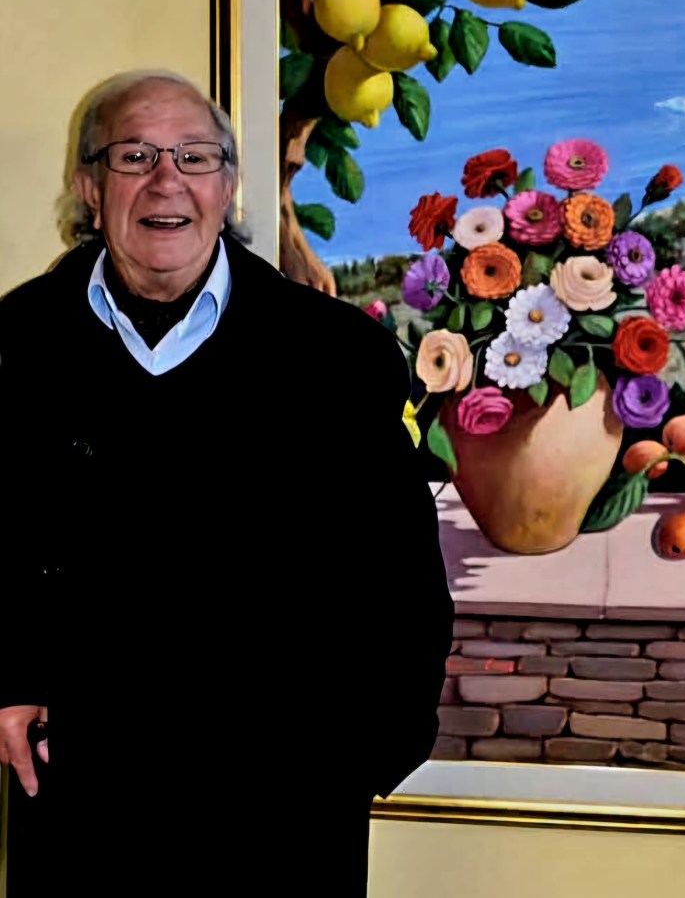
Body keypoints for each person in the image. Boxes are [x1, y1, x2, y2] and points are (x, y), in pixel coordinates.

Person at [0, 69, 453, 895]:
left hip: (283, 805)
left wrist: (361, 757)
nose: (166, 181)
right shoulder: (15, 344)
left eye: (195, 157)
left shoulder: (338, 357)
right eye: (134, 156)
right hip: (82, 796)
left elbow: (403, 580)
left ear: (229, 186)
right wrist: (6, 678)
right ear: (89, 187)